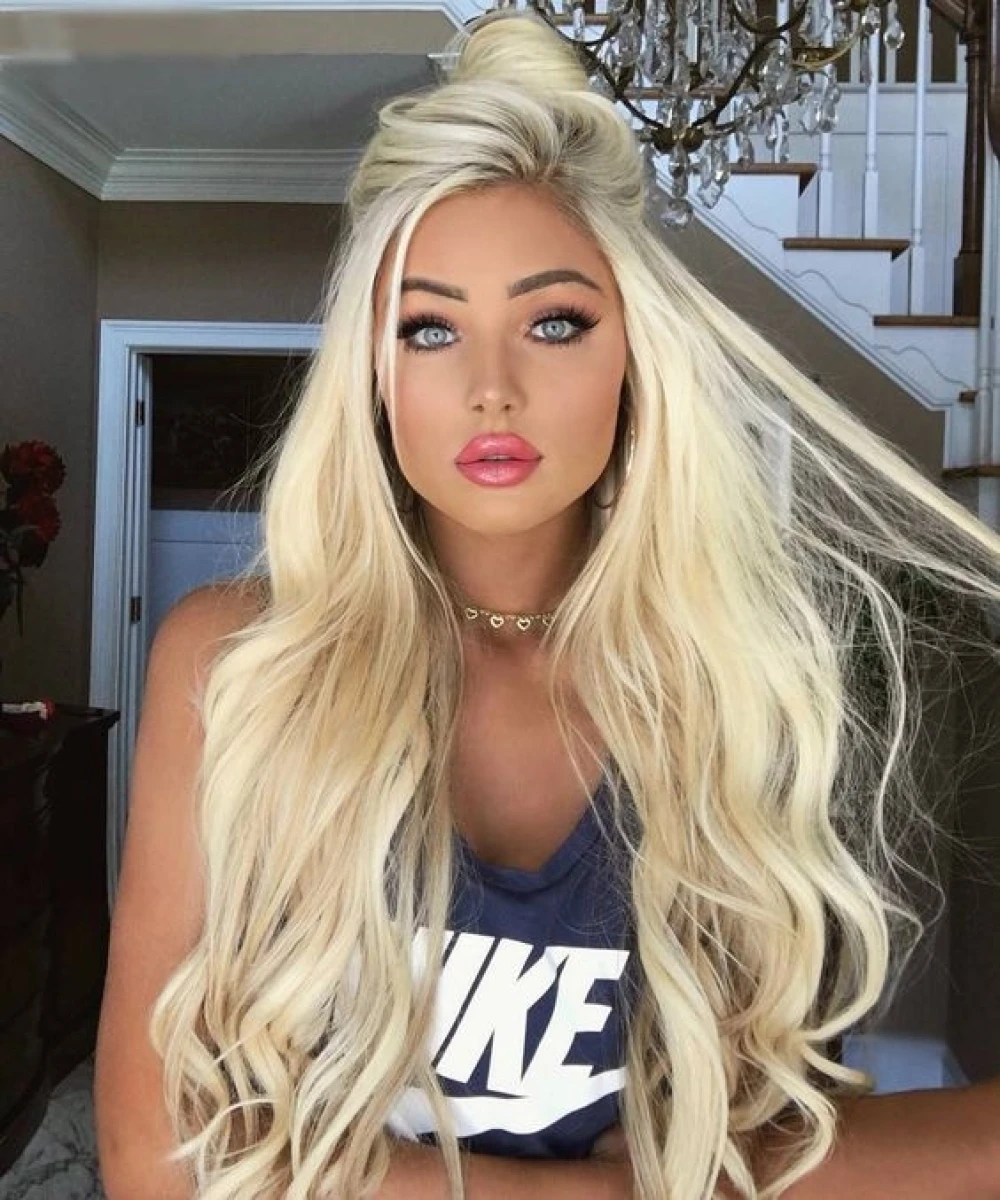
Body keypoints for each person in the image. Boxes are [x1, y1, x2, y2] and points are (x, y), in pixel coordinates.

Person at [93, 8, 1000, 1199]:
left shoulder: (727, 679)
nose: (491, 389)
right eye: (429, 329)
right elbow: (151, 1153)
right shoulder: (236, 660)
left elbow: (740, 1137)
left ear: (634, 358)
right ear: (373, 374)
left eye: (555, 322)